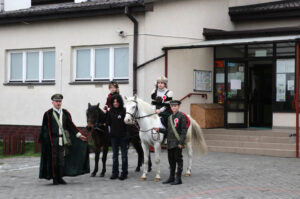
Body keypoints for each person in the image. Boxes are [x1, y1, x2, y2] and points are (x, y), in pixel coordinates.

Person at [39, 94, 90, 185]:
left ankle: (60, 177)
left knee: (61, 159)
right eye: (56, 101)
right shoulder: (48, 114)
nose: (58, 103)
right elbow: (44, 129)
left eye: (60, 101)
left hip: (63, 140)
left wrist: (79, 135)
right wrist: (45, 141)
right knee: (54, 160)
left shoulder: (65, 113)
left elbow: (71, 126)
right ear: (53, 102)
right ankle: (55, 178)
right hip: (53, 140)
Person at [163, 100, 187, 185]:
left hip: (177, 143)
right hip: (170, 143)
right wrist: (159, 130)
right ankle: (171, 177)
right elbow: (168, 130)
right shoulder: (169, 117)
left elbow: (184, 131)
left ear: (178, 106)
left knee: (178, 160)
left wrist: (181, 142)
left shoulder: (182, 116)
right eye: (172, 106)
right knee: (171, 161)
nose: (173, 107)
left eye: (175, 106)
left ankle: (178, 179)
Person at [106, 94, 128, 180]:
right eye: (114, 102)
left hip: (123, 136)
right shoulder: (110, 111)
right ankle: (115, 173)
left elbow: (128, 124)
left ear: (120, 102)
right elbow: (108, 123)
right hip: (114, 137)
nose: (115, 103)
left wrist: (127, 135)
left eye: (117, 101)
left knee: (124, 155)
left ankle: (124, 173)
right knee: (115, 156)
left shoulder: (124, 111)